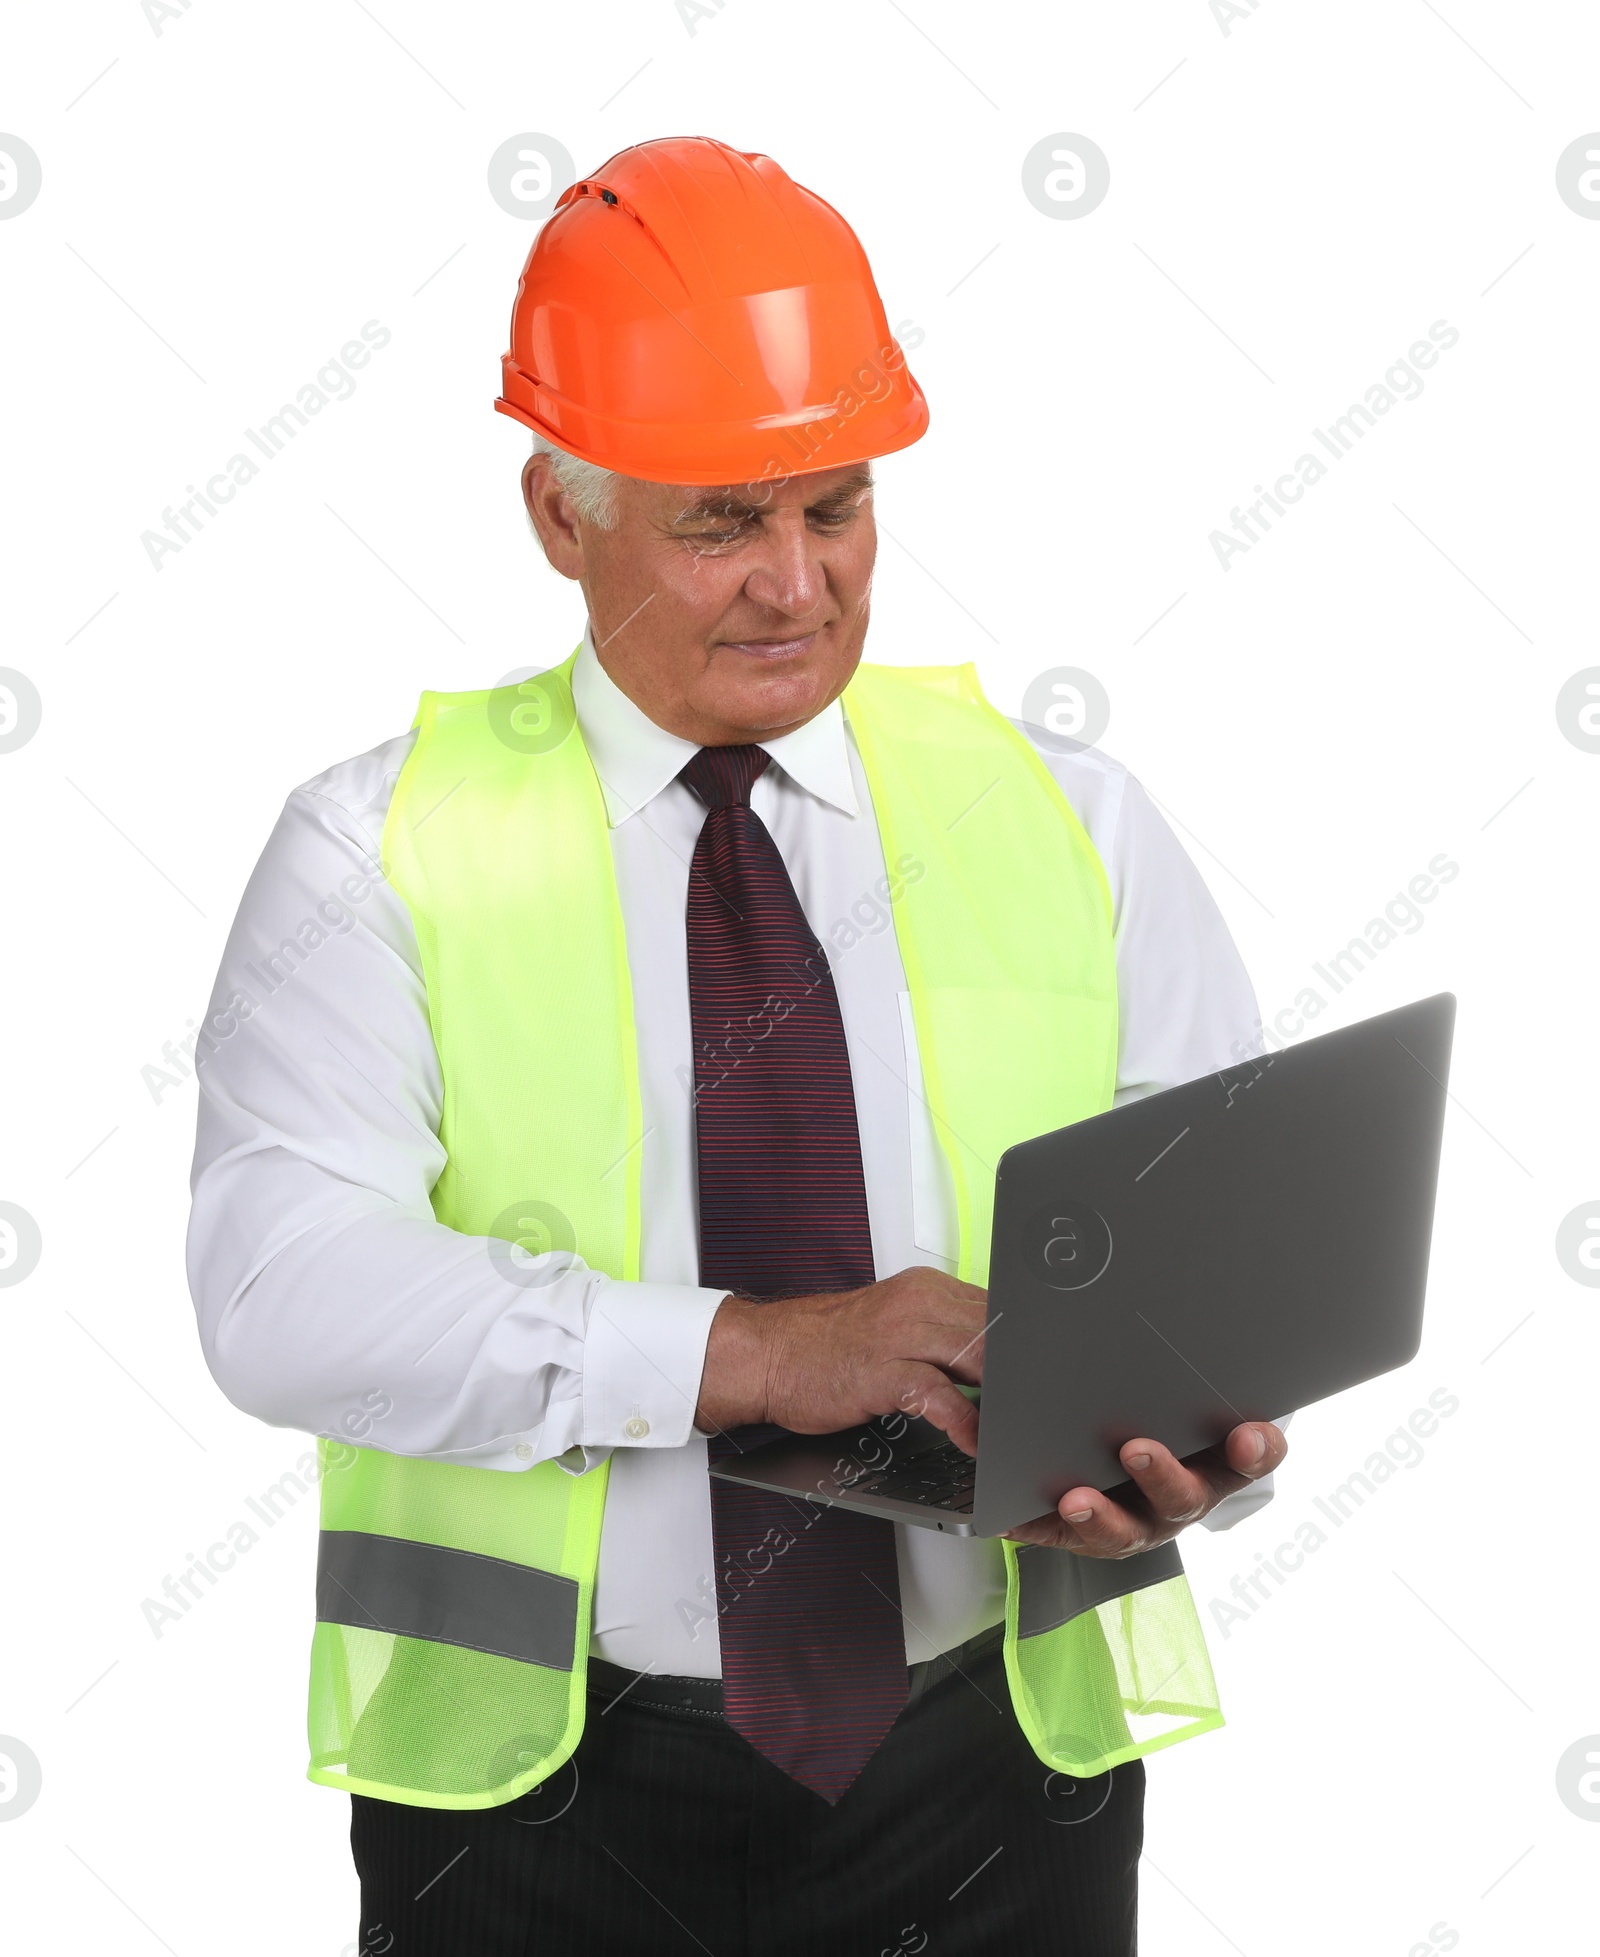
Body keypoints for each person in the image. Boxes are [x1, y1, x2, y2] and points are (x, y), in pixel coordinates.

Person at [188, 135, 1287, 1956]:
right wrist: (757, 1351)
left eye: (834, 505)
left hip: (1002, 1781)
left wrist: (1190, 1436)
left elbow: (1215, 1234)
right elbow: (280, 1290)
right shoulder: (377, 852)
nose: (797, 584)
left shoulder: (1070, 817)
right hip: (542, 1806)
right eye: (719, 521)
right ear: (561, 514)